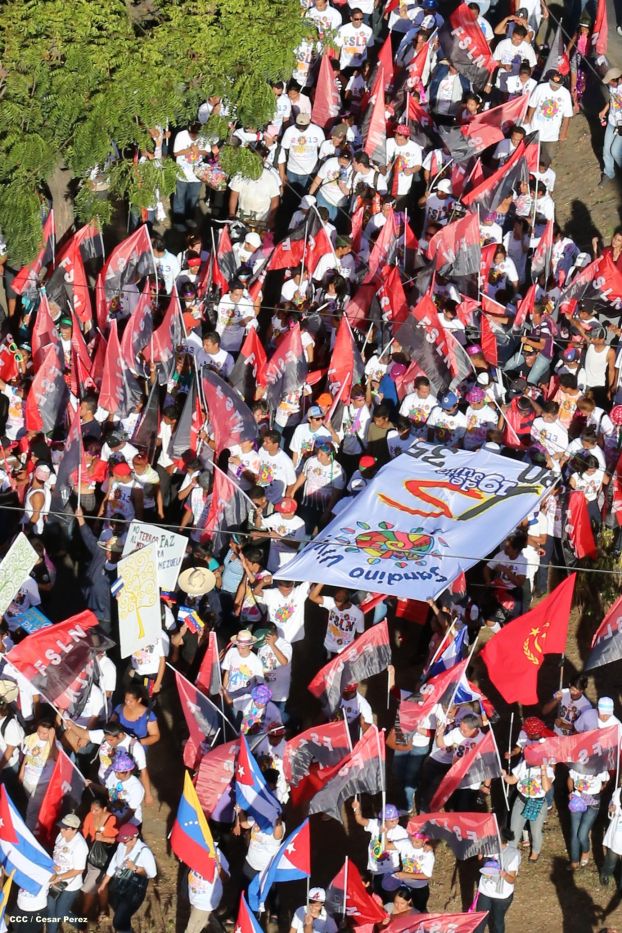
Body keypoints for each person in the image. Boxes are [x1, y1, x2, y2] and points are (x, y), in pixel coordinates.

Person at [98, 823, 157, 932]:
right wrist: (104, 883)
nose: (124, 843)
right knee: (122, 917)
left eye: (125, 841)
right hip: (119, 885)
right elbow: (113, 864)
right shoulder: (121, 846)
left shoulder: (144, 851)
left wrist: (134, 868)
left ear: (134, 837)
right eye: (122, 841)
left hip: (134, 891)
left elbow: (152, 874)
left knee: (118, 921)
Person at [46, 813, 89, 933]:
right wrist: (54, 866)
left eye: (65, 828)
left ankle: (81, 925)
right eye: (61, 826)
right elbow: (56, 853)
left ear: (74, 829)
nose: (61, 829)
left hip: (70, 884)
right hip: (55, 878)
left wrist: (59, 877)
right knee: (50, 908)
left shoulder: (80, 846)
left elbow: (78, 870)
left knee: (61, 913)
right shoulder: (61, 836)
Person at [473, 828, 520, 933]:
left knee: (497, 922)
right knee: (479, 921)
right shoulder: (488, 847)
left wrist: (503, 874)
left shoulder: (512, 854)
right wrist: (480, 856)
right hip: (485, 892)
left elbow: (512, 880)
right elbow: (482, 864)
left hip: (501, 896)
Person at [80, 794, 119, 921]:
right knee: (102, 884)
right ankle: (103, 909)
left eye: (96, 810)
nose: (92, 812)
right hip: (91, 854)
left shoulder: (112, 820)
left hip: (104, 858)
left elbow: (118, 840)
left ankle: (84, 914)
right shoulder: (90, 816)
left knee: (89, 887)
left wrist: (103, 838)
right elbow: (85, 831)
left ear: (104, 809)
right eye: (91, 809)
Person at [598, 68, 622, 186]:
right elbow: (611, 100)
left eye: (611, 81)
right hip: (612, 121)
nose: (609, 84)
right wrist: (604, 110)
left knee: (616, 151)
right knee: (606, 149)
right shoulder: (613, 86)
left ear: (618, 79)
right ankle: (609, 173)